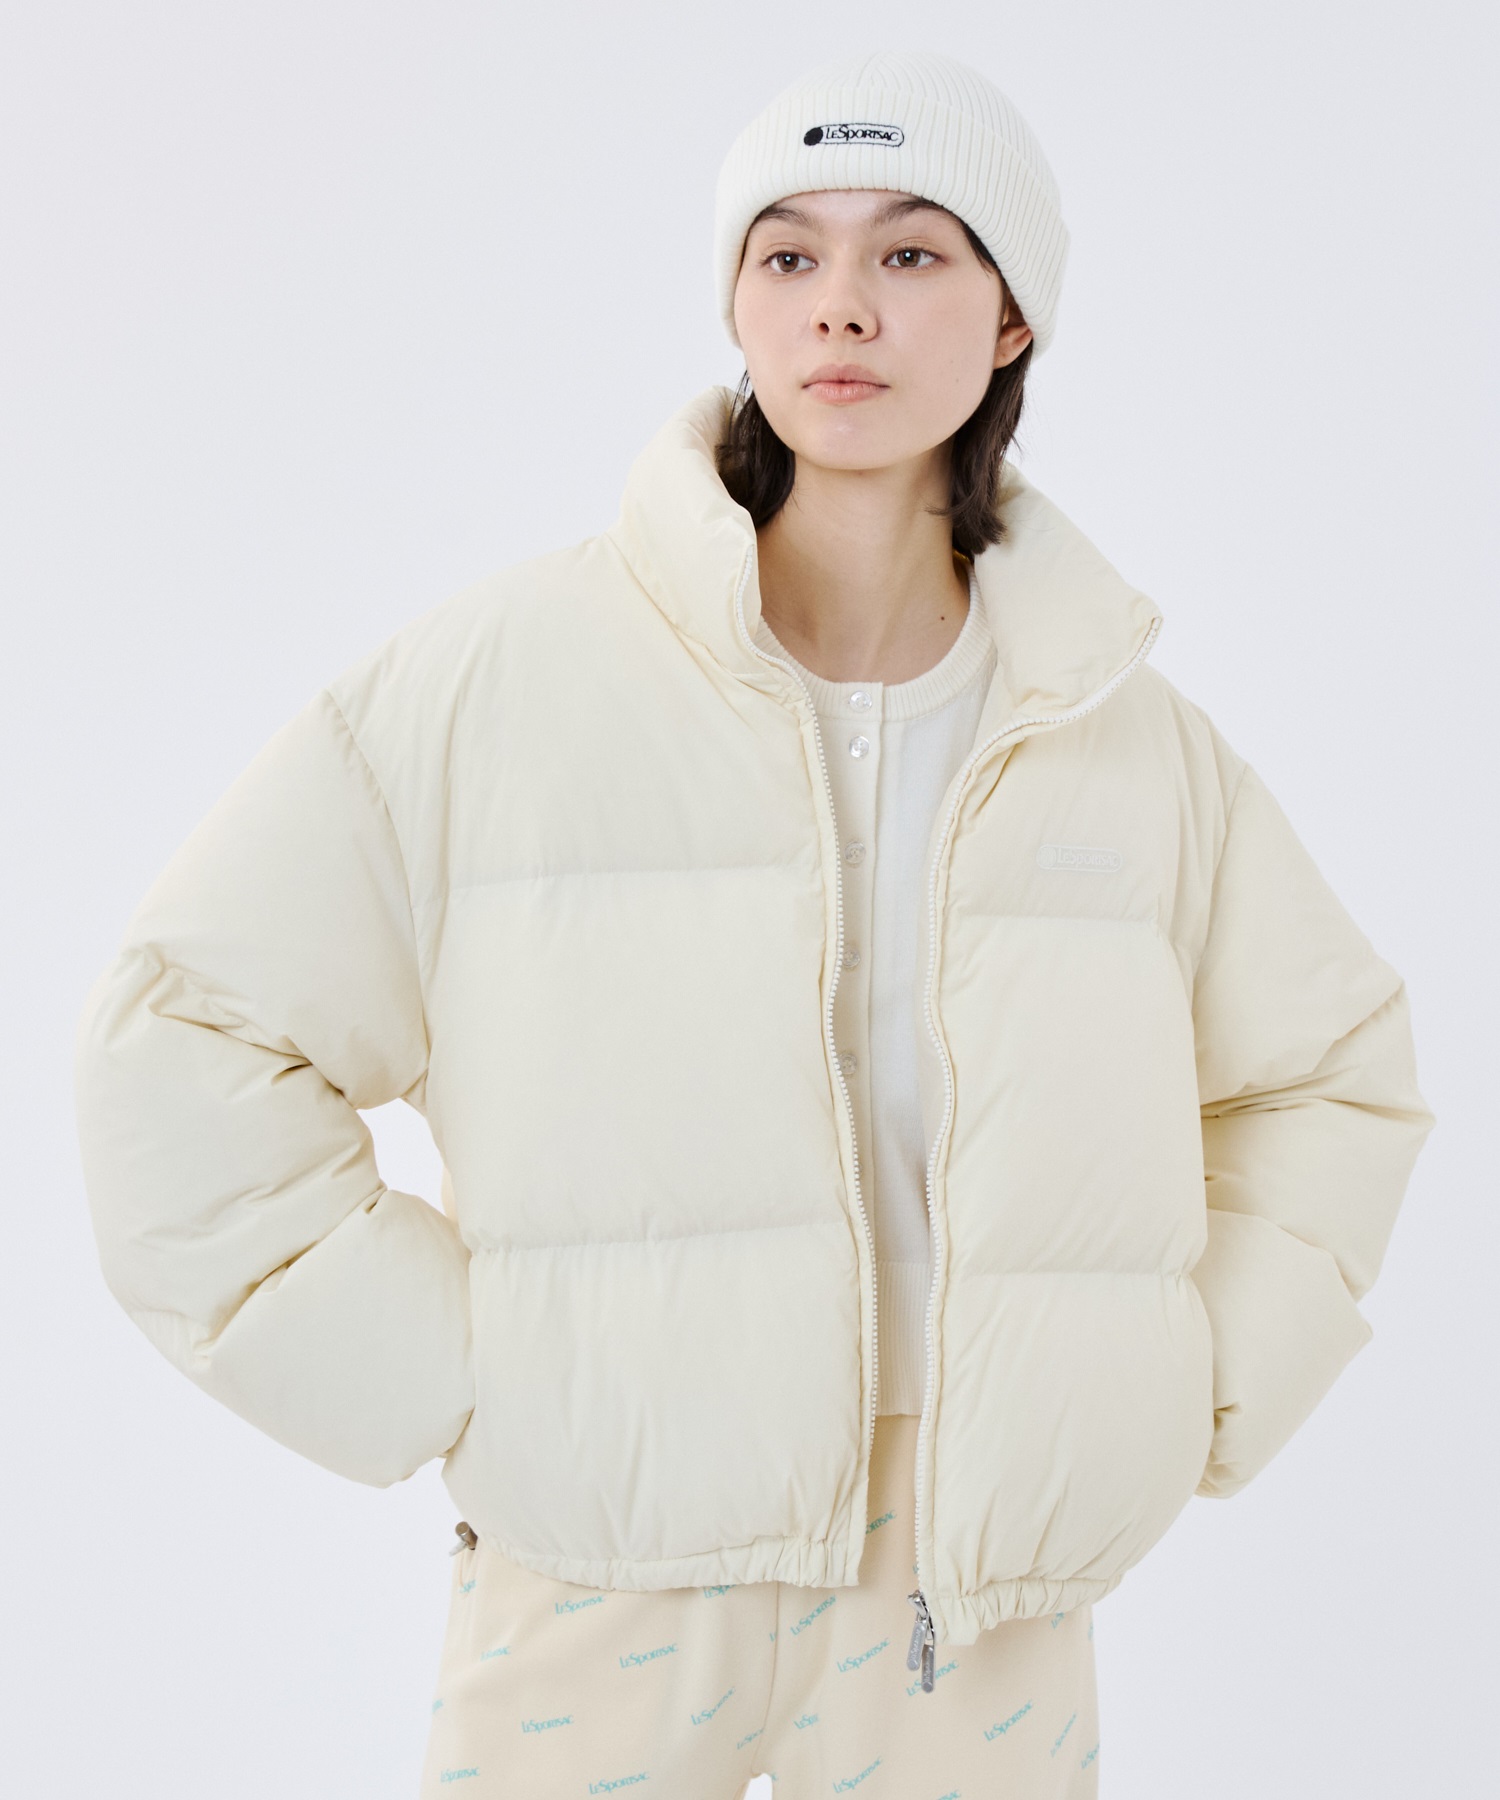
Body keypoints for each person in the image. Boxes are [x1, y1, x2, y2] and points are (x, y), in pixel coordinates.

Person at [72, 48, 1436, 1799]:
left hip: (974, 1587)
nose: (841, 306)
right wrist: (459, 1381)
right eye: (788, 255)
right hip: (606, 1559)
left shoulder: (1122, 738)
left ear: (1013, 318)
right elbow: (183, 1038)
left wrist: (1169, 1388)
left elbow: (1333, 1078)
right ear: (737, 303)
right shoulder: (502, 684)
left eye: (912, 252)